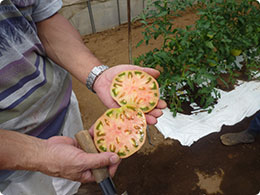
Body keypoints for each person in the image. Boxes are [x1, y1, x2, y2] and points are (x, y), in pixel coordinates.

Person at [0, 0, 167, 194]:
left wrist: (98, 76)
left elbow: (43, 19)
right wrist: (40, 155)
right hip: (10, 166)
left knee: (69, 184)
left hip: (62, 111)